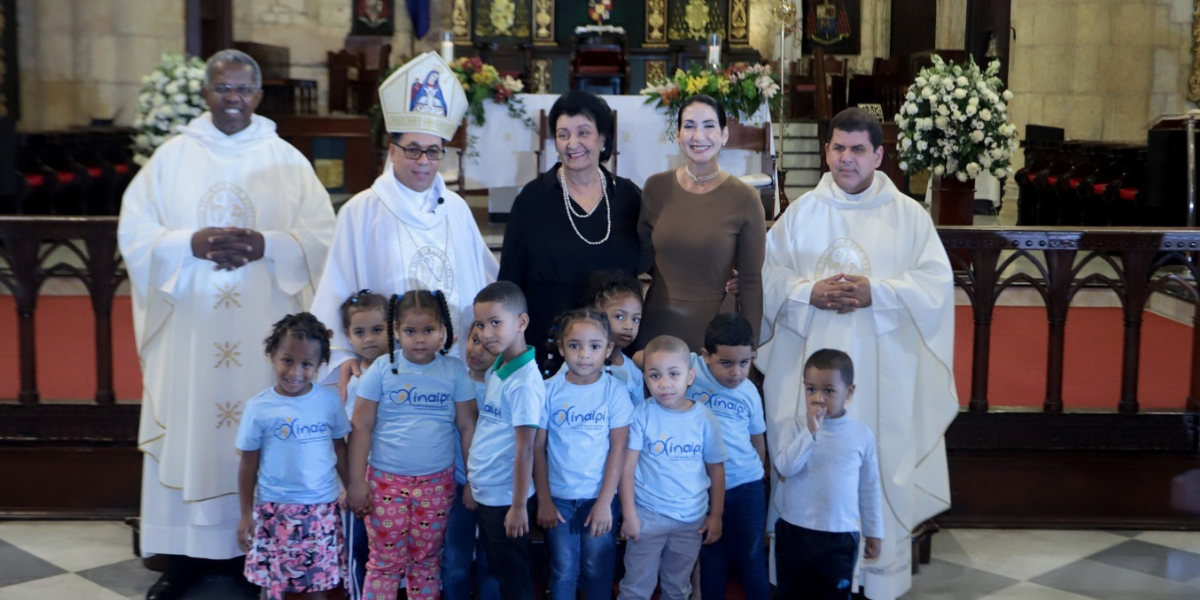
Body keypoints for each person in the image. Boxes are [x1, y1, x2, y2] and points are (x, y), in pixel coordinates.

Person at [118, 48, 335, 600]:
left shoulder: (286, 159)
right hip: (194, 328)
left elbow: (321, 236)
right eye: (222, 89)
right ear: (206, 94)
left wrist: (268, 244)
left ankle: (262, 551)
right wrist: (186, 243)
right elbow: (136, 233)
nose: (232, 99)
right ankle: (186, 555)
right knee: (194, 425)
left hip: (264, 325)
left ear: (259, 96)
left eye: (242, 90)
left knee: (259, 431)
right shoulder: (172, 158)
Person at [758, 107, 958, 599]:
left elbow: (936, 285)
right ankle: (804, 566)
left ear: (879, 155)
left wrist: (879, 293)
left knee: (879, 459)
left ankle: (877, 571)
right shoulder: (801, 212)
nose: (846, 159)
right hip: (812, 370)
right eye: (838, 148)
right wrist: (808, 293)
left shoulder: (909, 217)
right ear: (826, 151)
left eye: (858, 150)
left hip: (881, 374)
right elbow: (769, 275)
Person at [311, 51, 498, 395]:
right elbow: (337, 285)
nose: (424, 161)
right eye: (413, 149)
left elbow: (484, 279)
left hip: (456, 367)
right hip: (387, 370)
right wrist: (340, 356)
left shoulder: (456, 208)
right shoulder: (362, 210)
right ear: (392, 150)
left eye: (433, 150)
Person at [499, 90, 647, 376]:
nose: (572, 143)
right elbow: (509, 280)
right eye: (563, 134)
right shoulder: (533, 198)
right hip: (548, 346)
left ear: (603, 139)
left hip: (612, 350)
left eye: (583, 133)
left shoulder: (628, 196)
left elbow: (655, 259)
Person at [346, 290, 478, 600]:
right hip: (385, 483)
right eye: (410, 331)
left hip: (437, 484)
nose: (420, 339)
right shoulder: (380, 370)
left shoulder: (454, 371)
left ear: (444, 331)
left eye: (428, 331)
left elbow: (468, 425)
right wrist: (355, 482)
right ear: (396, 332)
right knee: (384, 562)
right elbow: (361, 427)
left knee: (426, 561)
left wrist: (474, 480)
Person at [636, 94, 765, 352]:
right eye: (689, 126)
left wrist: (748, 348)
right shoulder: (655, 187)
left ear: (724, 135)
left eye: (709, 126)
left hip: (714, 329)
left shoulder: (745, 198)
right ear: (677, 134)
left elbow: (751, 282)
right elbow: (640, 257)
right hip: (658, 321)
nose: (698, 136)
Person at [236, 313, 350, 600]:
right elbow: (248, 463)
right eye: (287, 360)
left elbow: (340, 448)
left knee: (317, 587)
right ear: (272, 354)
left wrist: (354, 487)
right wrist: (245, 514)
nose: (295, 372)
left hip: (320, 509)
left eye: (307, 364)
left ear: (319, 365)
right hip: (275, 510)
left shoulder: (328, 401)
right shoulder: (258, 408)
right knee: (274, 585)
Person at [534, 309, 633, 600]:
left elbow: (619, 447)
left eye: (594, 346)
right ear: (562, 348)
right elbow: (537, 448)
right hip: (559, 499)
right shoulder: (548, 390)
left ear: (608, 349)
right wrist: (544, 500)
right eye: (575, 345)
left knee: (597, 568)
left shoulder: (615, 392)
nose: (584, 355)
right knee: (563, 569)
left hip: (598, 497)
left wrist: (605, 502)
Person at [618, 336, 727, 600]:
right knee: (635, 587)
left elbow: (716, 469)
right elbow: (627, 469)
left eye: (674, 374)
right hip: (647, 517)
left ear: (690, 376)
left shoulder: (704, 419)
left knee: (677, 587)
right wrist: (630, 515)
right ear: (645, 378)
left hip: (691, 521)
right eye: (655, 375)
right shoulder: (642, 414)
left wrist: (716, 515)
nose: (664, 383)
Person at [772, 349, 883, 599]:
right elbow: (785, 468)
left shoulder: (861, 434)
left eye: (829, 391)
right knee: (790, 594)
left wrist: (874, 531)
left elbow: (870, 487)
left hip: (839, 536)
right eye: (811, 389)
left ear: (849, 392)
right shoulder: (795, 427)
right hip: (795, 531)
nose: (818, 398)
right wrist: (810, 432)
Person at [469, 281, 546, 599]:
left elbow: (526, 448)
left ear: (522, 322)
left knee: (514, 579)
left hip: (506, 501)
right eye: (481, 324)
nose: (486, 333)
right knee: (499, 571)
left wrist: (517, 506)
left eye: (495, 323)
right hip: (489, 493)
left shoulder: (525, 383)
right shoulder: (499, 366)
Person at [686, 313, 769, 600]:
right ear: (705, 356)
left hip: (747, 487)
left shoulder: (749, 392)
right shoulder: (690, 370)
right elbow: (644, 357)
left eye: (744, 363)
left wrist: (756, 476)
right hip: (705, 488)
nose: (736, 372)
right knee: (712, 558)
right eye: (726, 363)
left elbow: (758, 440)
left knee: (751, 557)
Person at [442, 323, 502, 600]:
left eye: (488, 347)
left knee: (492, 564)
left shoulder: (499, 388)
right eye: (474, 340)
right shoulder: (453, 379)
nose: (477, 351)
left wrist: (476, 484)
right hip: (457, 483)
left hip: (493, 488)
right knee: (455, 561)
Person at [338, 290, 389, 600]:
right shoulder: (354, 379)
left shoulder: (401, 372)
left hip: (393, 478)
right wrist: (350, 483)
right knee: (358, 546)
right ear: (348, 335)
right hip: (361, 478)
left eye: (377, 330)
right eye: (360, 332)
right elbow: (348, 437)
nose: (369, 339)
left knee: (389, 547)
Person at [582, 270, 645, 406]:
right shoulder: (580, 363)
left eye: (636, 319)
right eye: (619, 316)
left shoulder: (634, 371)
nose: (629, 326)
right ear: (596, 315)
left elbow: (638, 411)